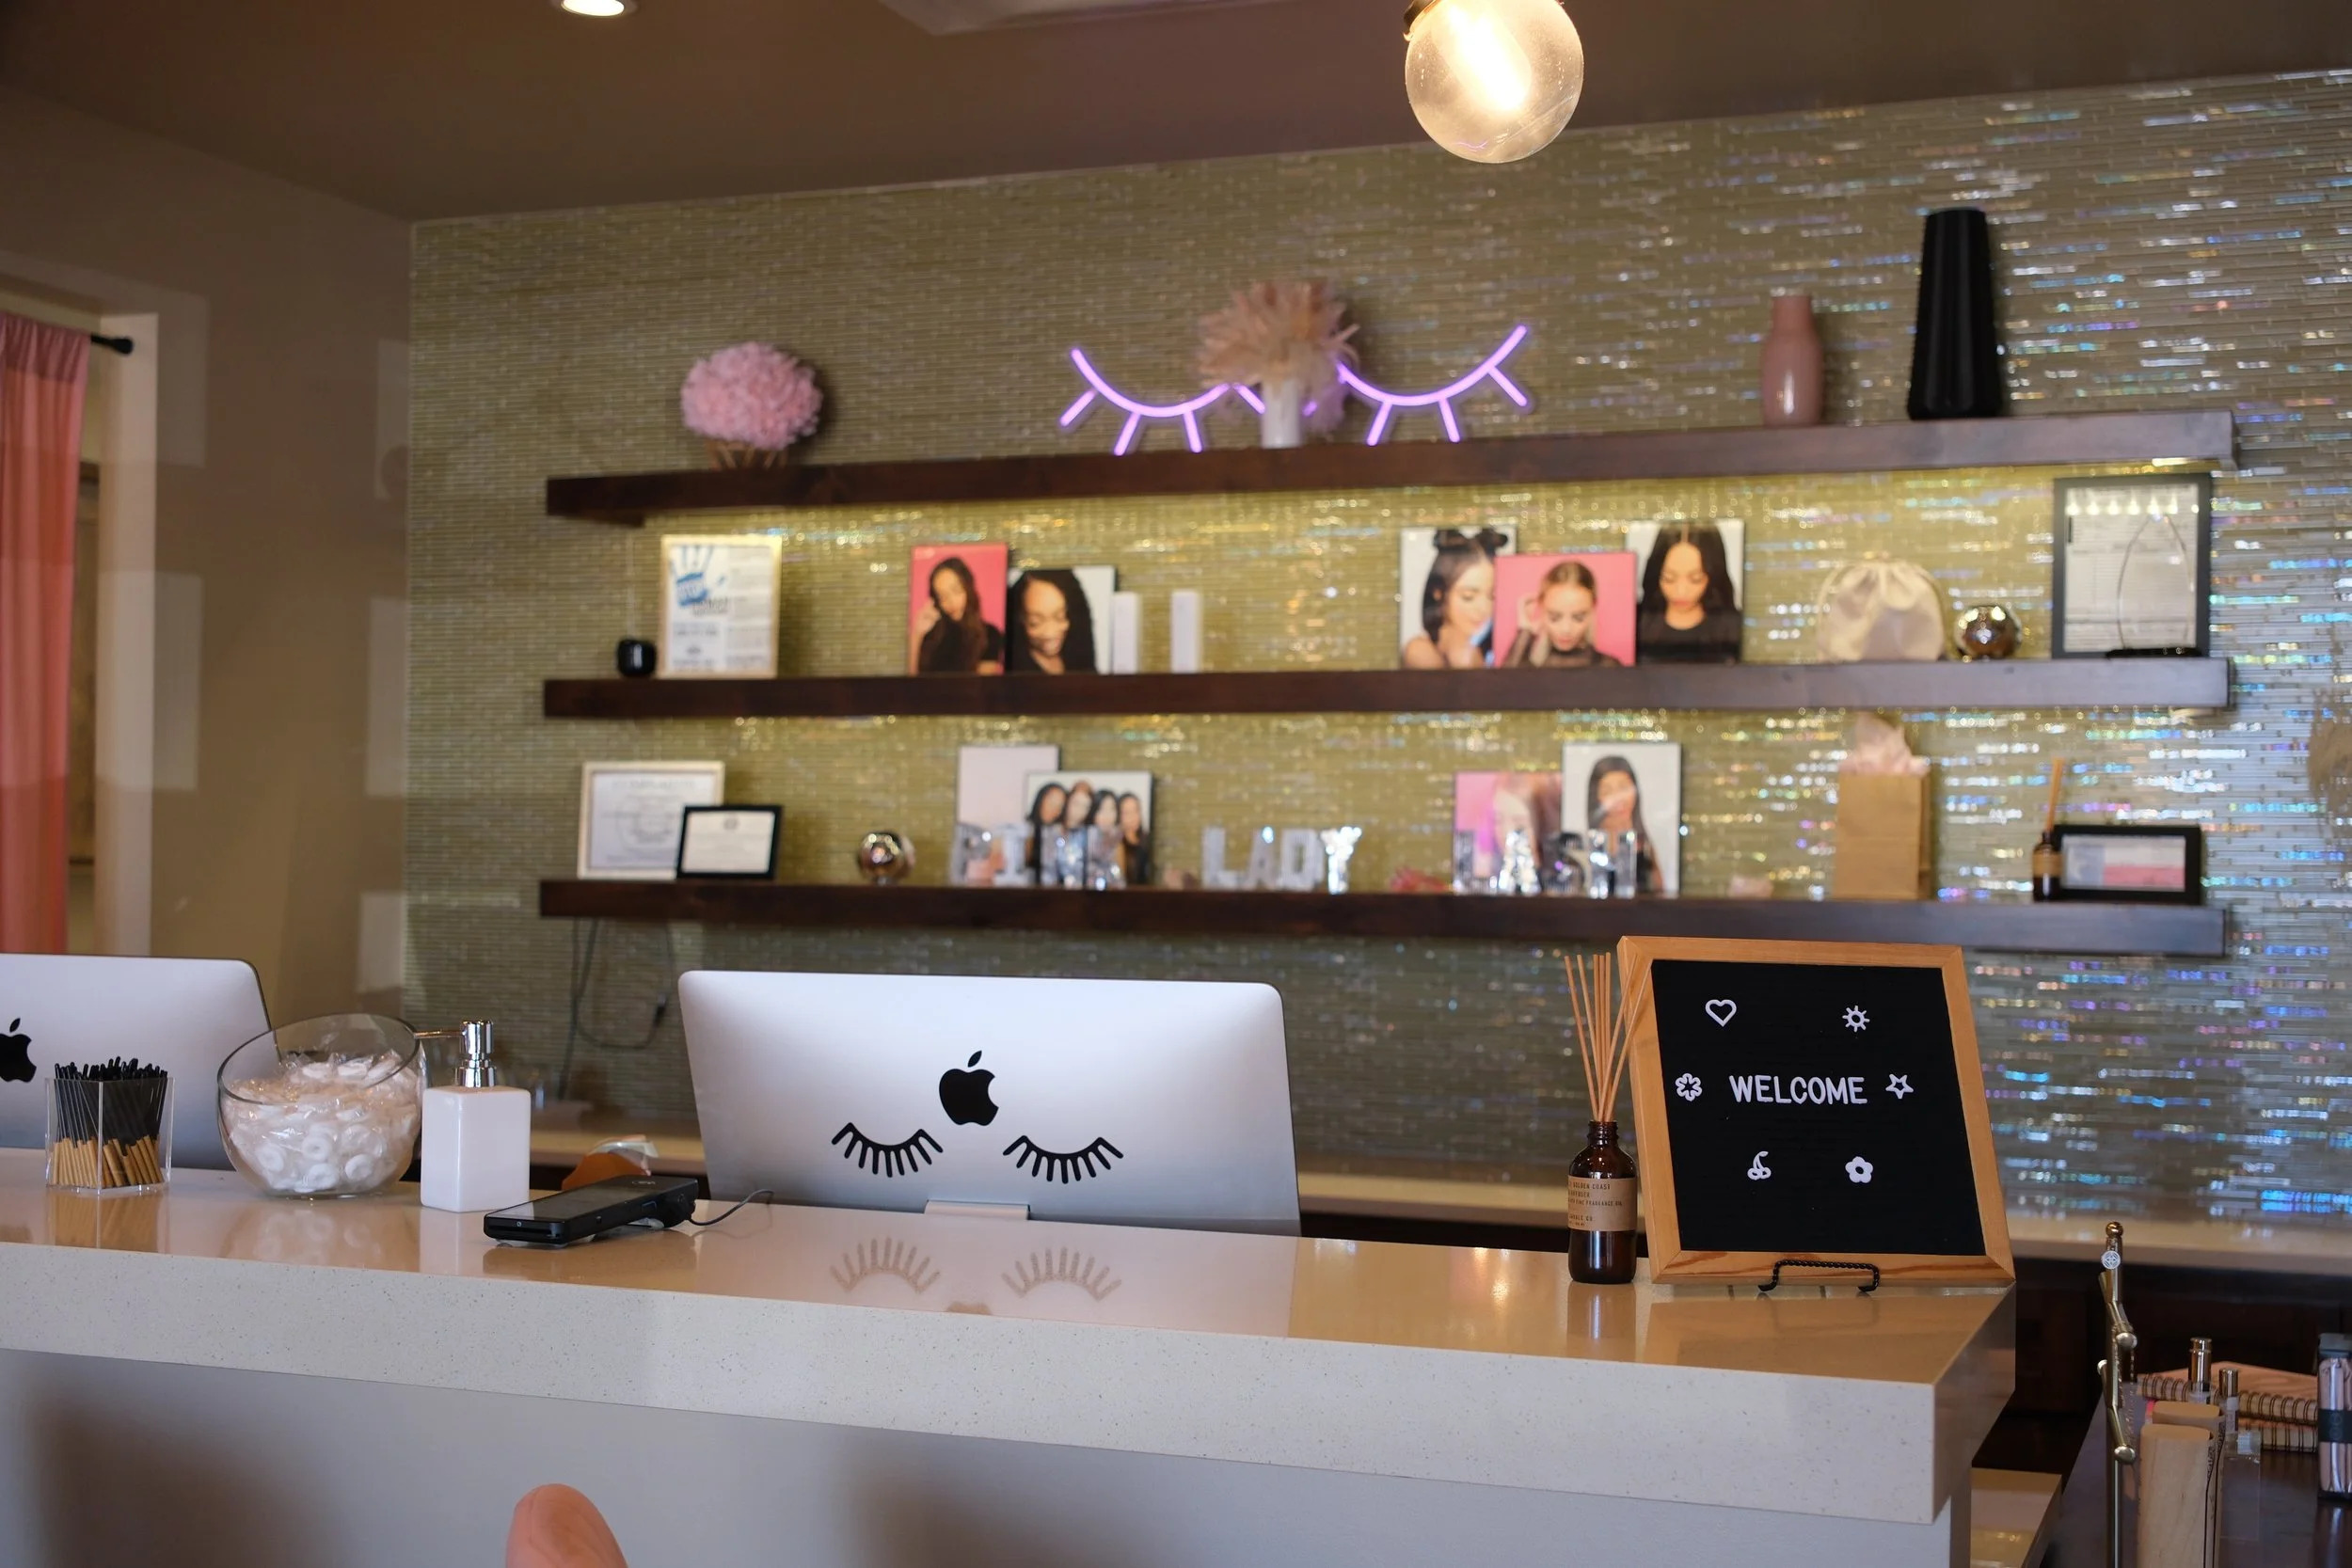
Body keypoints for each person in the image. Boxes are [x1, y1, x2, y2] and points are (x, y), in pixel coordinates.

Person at [1401, 528, 1508, 670]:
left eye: (1492, 597)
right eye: (1468, 597)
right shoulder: (1421, 650)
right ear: (1439, 594)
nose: (1484, 609)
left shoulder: (1495, 648)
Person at [1635, 523, 1741, 664]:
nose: (1681, 591)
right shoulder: (1637, 623)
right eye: (1669, 578)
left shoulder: (1733, 627)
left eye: (1695, 579)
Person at [1502, 560, 1624, 669]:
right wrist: (1525, 631)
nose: (1566, 629)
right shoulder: (1526, 666)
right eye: (1554, 618)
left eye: (1578, 618)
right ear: (1541, 608)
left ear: (1593, 608)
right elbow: (1503, 687)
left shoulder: (1609, 668)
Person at [911, 555, 1005, 674]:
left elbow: (983, 688)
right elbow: (912, 683)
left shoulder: (990, 634)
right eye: (942, 596)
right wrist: (917, 634)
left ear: (968, 588)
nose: (950, 602)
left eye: (956, 591)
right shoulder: (932, 636)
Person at [1587, 755, 1664, 895]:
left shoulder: (1645, 843)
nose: (1618, 799)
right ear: (1597, 796)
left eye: (1623, 788)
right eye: (1608, 791)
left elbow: (1659, 889)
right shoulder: (1591, 841)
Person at [1006, 569, 1098, 675]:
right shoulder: (1016, 670)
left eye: (1060, 618)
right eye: (1035, 623)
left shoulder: (1078, 659)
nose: (1049, 633)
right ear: (1020, 619)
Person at [1024, 782, 1069, 880]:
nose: (1054, 809)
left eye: (1059, 806)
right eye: (1051, 802)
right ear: (1041, 799)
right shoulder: (1024, 830)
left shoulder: (1058, 833)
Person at [1117, 792, 1152, 888]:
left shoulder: (1149, 840)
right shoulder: (1117, 844)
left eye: (1136, 811)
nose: (1133, 817)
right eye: (1127, 813)